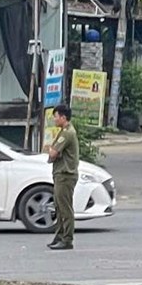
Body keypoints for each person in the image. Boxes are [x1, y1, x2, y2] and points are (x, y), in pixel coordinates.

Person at [45, 104, 79, 251]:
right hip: (60, 174)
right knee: (58, 207)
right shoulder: (63, 131)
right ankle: (59, 236)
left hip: (66, 174)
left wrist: (52, 151)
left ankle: (67, 239)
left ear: (63, 117)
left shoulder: (67, 133)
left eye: (56, 116)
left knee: (65, 208)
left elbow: (52, 152)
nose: (54, 119)